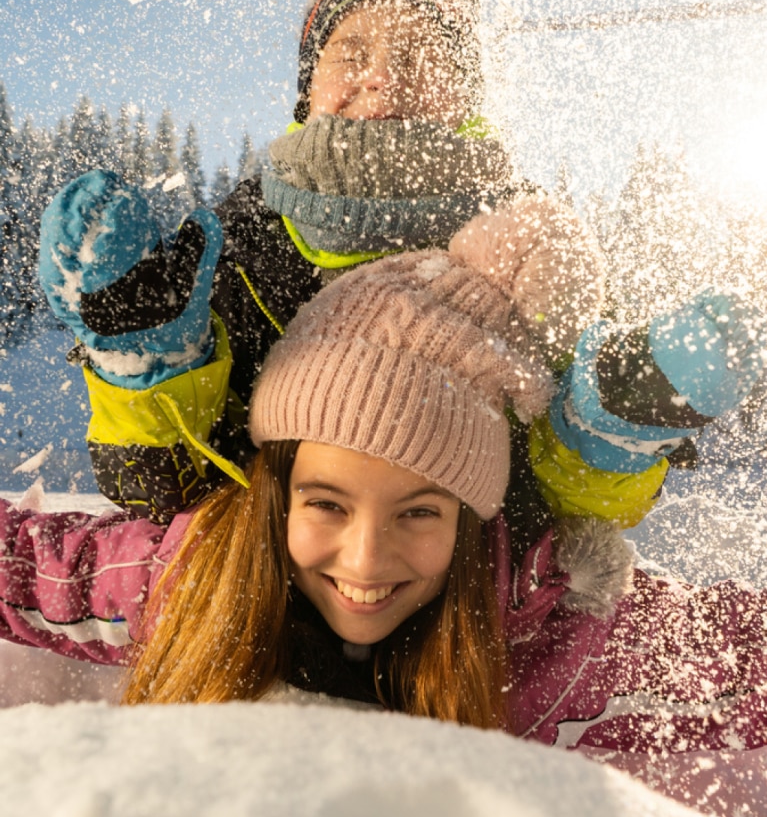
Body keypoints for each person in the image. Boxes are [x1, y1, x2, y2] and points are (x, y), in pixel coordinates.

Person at [4, 208, 767, 765]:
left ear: (470, 520)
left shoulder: (541, 636)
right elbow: (36, 570)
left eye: (419, 511)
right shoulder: (193, 575)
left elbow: (730, 657)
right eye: (327, 503)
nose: (366, 560)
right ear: (279, 496)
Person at [39, 0, 691, 564]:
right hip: (264, 606)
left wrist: (608, 439)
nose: (380, 77)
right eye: (350, 54)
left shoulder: (532, 245)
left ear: (465, 93)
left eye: (416, 57)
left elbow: (577, 519)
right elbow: (160, 494)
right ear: (310, 86)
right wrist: (145, 365)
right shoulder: (237, 244)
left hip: (475, 617)